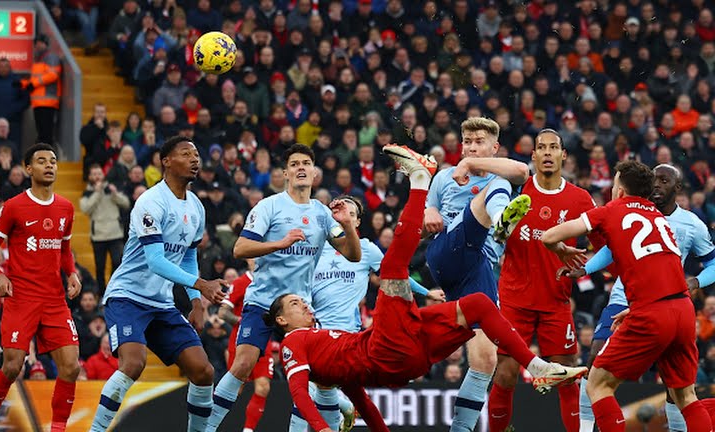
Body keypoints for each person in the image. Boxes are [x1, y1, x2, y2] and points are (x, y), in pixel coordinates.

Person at [268, 144, 587, 432]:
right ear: (281, 321)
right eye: (295, 304)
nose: (305, 304)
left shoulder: (330, 356)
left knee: (478, 304)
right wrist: (322, 430)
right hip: (385, 350)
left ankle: (538, 367)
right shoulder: (293, 343)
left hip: (406, 354)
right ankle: (419, 180)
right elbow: (299, 393)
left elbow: (364, 404)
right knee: (393, 267)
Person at [541, 160, 713, 431]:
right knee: (686, 395)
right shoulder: (658, 217)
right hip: (680, 308)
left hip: (651, 310)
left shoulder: (613, 210)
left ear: (620, 190)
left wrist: (561, 250)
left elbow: (549, 236)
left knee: (598, 383)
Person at [205, 144, 362, 431]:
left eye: (306, 163)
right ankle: (206, 429)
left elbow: (353, 255)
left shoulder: (322, 214)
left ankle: (338, 410)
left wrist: (348, 225)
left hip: (298, 307)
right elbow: (240, 248)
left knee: (318, 376)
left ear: (314, 172)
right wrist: (280, 243)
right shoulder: (269, 206)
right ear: (286, 173)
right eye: (294, 164)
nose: (301, 167)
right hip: (263, 301)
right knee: (242, 365)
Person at [90, 136, 228, 432]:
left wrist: (195, 302)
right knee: (133, 363)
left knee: (203, 371)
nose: (194, 159)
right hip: (128, 296)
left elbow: (188, 257)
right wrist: (201, 284)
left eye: (196, 154)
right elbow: (156, 261)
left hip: (162, 303)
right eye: (186, 154)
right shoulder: (150, 201)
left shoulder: (197, 207)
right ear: (166, 161)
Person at [288, 194, 445, 432]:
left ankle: (345, 407)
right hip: (314, 331)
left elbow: (394, 274)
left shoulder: (367, 249)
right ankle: (345, 406)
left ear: (357, 221)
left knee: (319, 391)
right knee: (317, 391)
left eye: (351, 214)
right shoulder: (317, 247)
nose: (344, 218)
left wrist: (426, 293)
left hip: (347, 336)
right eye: (339, 213)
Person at [487, 129, 601, 432]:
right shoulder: (516, 192)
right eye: (541, 148)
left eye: (553, 147)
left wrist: (587, 266)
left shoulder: (580, 199)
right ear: (533, 155)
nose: (548, 153)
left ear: (564, 155)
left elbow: (603, 243)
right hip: (515, 300)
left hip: (556, 301)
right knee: (506, 374)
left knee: (567, 375)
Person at [423, 117, 531, 431]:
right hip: (447, 251)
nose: (471, 148)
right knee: (499, 188)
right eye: (467, 143)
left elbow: (522, 171)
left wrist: (470, 163)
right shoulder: (444, 177)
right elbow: (423, 220)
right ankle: (501, 222)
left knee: (486, 360)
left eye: (479, 142)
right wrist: (428, 211)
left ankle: (461, 429)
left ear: (494, 147)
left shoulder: (500, 171)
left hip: (477, 268)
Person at [0, 143, 82, 432]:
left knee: (71, 366)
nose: (49, 165)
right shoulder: (13, 206)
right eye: (42, 161)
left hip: (54, 300)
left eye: (53, 161)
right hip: (21, 298)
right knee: (12, 366)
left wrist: (71, 273)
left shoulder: (66, 207)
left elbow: (64, 250)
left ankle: (57, 429)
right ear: (28, 168)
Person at [217, 260, 274, 432]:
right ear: (248, 259)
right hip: (242, 340)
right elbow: (223, 312)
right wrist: (244, 321)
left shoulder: (272, 281)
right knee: (236, 387)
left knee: (263, 386)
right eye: (254, 257)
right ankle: (209, 424)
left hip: (264, 340)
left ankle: (248, 430)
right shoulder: (241, 282)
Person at [80, 164, 131, 295]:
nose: (97, 176)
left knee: (118, 262)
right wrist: (97, 193)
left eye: (99, 173)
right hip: (98, 236)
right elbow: (85, 209)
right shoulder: (87, 193)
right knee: (100, 267)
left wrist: (115, 194)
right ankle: (102, 293)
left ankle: (114, 288)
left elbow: (126, 203)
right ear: (90, 177)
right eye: (94, 174)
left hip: (115, 233)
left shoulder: (111, 188)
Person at [21, 34, 62, 145]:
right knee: (41, 133)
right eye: (36, 44)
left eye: (40, 43)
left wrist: (33, 84)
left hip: (48, 103)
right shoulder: (38, 60)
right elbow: (35, 79)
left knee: (46, 134)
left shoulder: (51, 57)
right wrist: (23, 84)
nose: (38, 46)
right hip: (38, 103)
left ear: (46, 44)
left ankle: (48, 153)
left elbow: (53, 75)